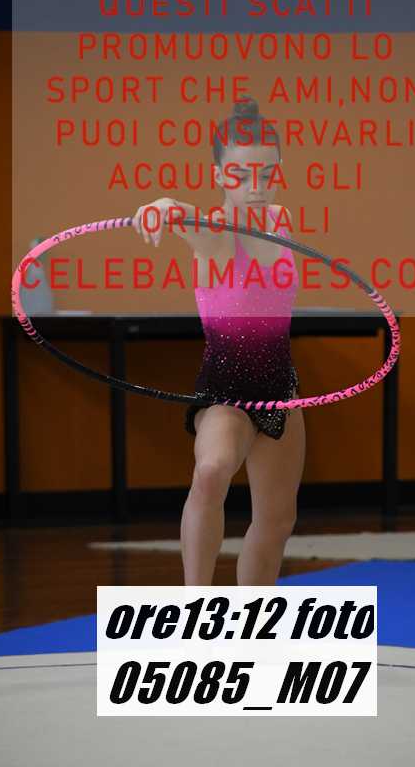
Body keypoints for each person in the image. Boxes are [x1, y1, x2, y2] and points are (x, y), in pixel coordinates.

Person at [132, 96, 306, 586]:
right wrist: (163, 207)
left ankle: (252, 620)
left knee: (277, 521)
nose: (256, 186)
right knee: (212, 470)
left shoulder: (279, 221)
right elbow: (185, 217)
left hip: (281, 387)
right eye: (241, 175)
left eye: (266, 173)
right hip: (227, 389)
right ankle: (196, 605)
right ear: (219, 176)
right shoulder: (213, 235)